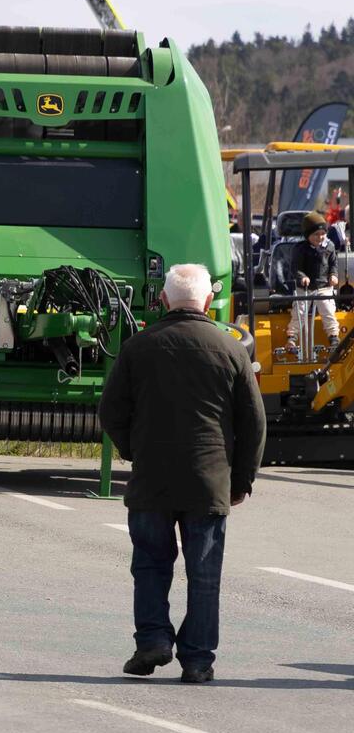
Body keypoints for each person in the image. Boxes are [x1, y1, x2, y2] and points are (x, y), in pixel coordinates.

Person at [99, 263, 266, 683]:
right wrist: (241, 480)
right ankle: (197, 660)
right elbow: (254, 423)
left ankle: (153, 641)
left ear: (163, 300)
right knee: (204, 576)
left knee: (150, 566)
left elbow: (111, 411)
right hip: (209, 481)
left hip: (151, 480)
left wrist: (135, 450)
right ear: (208, 301)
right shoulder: (231, 350)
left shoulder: (138, 347)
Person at [288, 211, 341, 353]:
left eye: (323, 233)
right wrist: (302, 277)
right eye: (316, 234)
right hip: (305, 287)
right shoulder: (300, 249)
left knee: (328, 309)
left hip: (324, 287)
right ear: (307, 235)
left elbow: (333, 264)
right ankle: (292, 337)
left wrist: (333, 275)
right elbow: (295, 268)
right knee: (299, 310)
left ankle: (333, 336)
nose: (320, 237)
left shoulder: (329, 246)